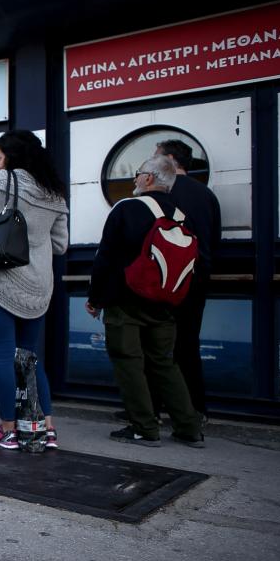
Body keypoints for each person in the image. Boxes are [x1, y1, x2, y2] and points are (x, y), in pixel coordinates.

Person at [86, 155, 204, 448]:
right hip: (165, 302)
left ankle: (144, 428)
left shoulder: (126, 208)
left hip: (126, 300)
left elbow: (106, 258)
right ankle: (189, 428)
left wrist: (96, 299)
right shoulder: (180, 214)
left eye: (138, 174)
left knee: (129, 362)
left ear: (149, 178)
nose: (135, 179)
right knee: (164, 362)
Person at [0, 130, 67, 450]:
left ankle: (8, 429)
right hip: (39, 285)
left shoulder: (1, 181)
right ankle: (45, 428)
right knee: (29, 357)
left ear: (11, 156)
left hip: (3, 281)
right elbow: (60, 245)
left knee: (3, 354)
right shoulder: (54, 192)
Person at [158, 139, 221, 420]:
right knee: (188, 344)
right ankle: (196, 408)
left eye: (156, 158)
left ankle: (154, 409)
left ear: (170, 160)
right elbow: (214, 237)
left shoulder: (164, 192)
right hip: (198, 276)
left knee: (157, 345)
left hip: (168, 279)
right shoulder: (206, 194)